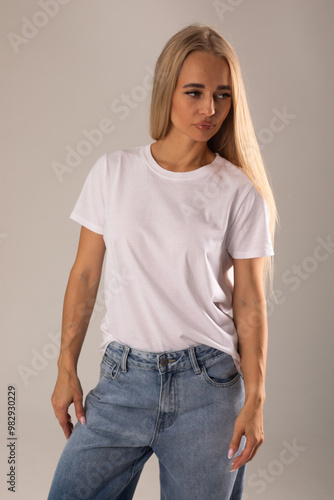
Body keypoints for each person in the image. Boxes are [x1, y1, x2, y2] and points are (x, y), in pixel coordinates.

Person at [48, 23, 277, 500]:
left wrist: (255, 398)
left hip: (208, 391)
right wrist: (65, 365)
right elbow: (85, 275)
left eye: (222, 95)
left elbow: (251, 303)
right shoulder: (114, 172)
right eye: (194, 92)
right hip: (122, 382)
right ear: (166, 89)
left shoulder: (239, 192)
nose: (209, 109)